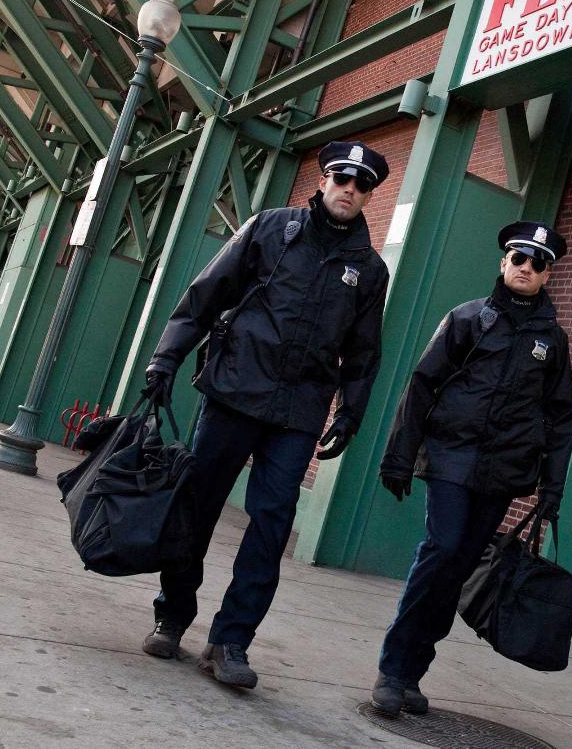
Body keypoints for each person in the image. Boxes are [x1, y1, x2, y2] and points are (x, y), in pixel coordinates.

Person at [140, 140, 391, 689]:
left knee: (272, 526)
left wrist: (350, 412)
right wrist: (165, 358)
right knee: (196, 510)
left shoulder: (370, 270)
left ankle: (230, 641)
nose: (350, 190)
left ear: (370, 196)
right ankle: (173, 615)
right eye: (342, 178)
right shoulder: (270, 229)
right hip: (234, 391)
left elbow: (364, 350)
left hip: (297, 413)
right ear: (323, 181)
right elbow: (204, 296)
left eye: (362, 185)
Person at [372, 220, 572, 716]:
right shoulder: (467, 319)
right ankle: (393, 670)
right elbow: (422, 384)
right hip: (451, 456)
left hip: (504, 470)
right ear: (504, 262)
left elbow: (561, 417)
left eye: (538, 263)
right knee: (441, 550)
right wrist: (400, 454)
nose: (527, 268)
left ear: (548, 274)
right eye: (519, 258)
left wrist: (552, 488)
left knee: (461, 565)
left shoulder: (552, 341)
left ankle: (413, 674)